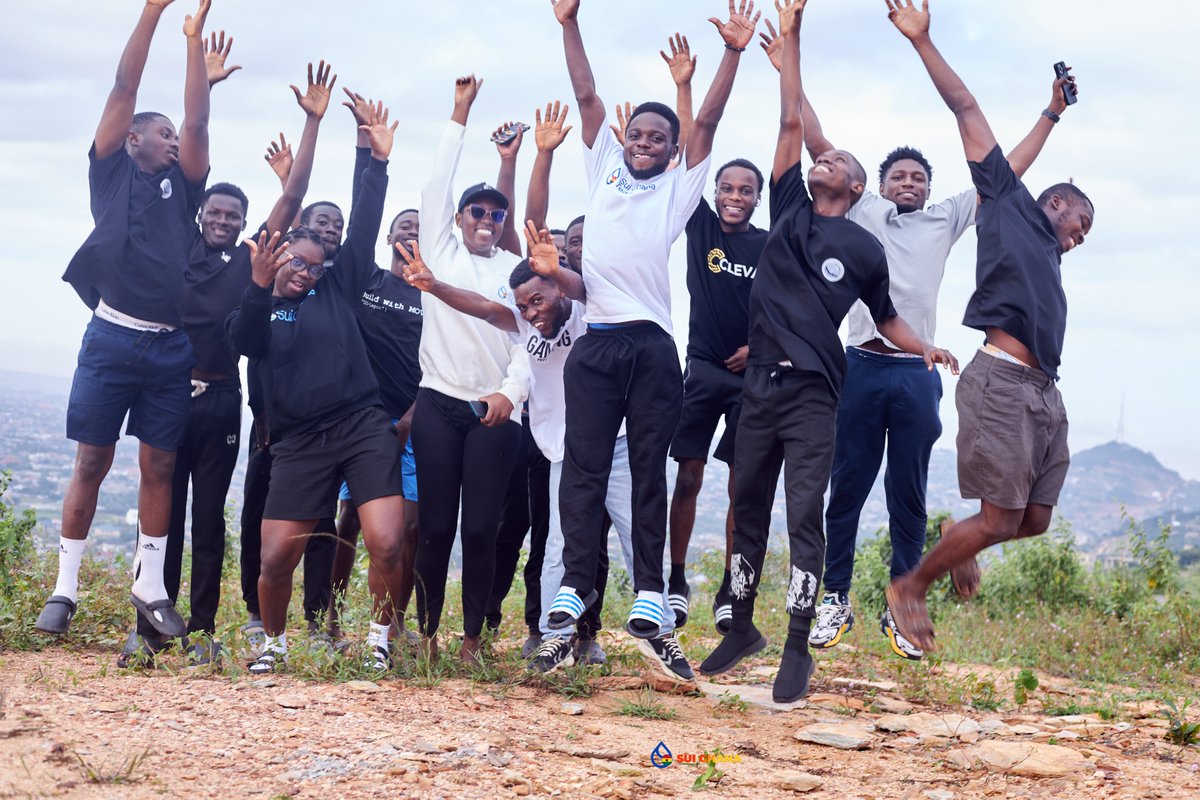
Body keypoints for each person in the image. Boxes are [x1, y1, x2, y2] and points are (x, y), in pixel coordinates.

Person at [754, 21, 1077, 661]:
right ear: (876, 184)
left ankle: (900, 611)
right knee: (845, 487)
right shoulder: (865, 210)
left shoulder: (947, 218)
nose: (908, 183)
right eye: (898, 176)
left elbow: (1006, 171)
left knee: (907, 489)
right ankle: (835, 599)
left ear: (929, 189)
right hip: (860, 365)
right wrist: (785, 64)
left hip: (916, 371)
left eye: (917, 178)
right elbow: (816, 140)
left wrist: (1050, 115)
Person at [697, 0, 957, 704]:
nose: (828, 158)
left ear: (855, 187)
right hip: (760, 392)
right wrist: (792, 40)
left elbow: (888, 317)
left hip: (817, 394)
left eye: (840, 160)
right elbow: (792, 124)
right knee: (745, 506)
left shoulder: (865, 247)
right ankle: (741, 626)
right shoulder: (789, 209)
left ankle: (795, 645)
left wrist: (926, 347)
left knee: (804, 514)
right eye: (825, 157)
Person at [881, 0, 1093, 653]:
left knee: (1031, 519)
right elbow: (968, 110)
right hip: (998, 382)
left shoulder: (1048, 259)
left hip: (1042, 393)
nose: (1080, 238)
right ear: (1052, 205)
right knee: (1002, 514)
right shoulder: (1009, 208)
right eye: (1079, 224)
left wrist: (1056, 109)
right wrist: (923, 41)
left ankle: (956, 533)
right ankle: (910, 586)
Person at [545, 0, 759, 644]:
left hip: (652, 347)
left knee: (646, 469)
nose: (644, 142)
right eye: (636, 133)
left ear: (672, 152)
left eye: (657, 139)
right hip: (597, 342)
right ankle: (578, 584)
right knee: (581, 469)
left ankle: (649, 593)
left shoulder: (678, 187)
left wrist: (732, 53)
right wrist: (569, 23)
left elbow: (711, 119)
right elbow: (585, 92)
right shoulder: (603, 165)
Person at [401, 224, 693, 681]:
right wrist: (434, 285)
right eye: (523, 305)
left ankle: (663, 637)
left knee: (639, 535)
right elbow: (482, 308)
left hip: (614, 445)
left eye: (538, 301)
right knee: (559, 544)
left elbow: (576, 283)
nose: (531, 312)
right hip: (564, 452)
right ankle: (554, 638)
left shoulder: (584, 313)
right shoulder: (524, 323)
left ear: (559, 290)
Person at [122, 58, 333, 667]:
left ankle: (202, 629)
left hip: (219, 401)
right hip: (163, 392)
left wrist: (310, 126)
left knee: (209, 518)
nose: (223, 220)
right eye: (215, 213)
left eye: (233, 217)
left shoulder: (250, 258)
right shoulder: (176, 249)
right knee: (157, 521)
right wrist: (203, 89)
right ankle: (147, 625)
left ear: (245, 226)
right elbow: (191, 145)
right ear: (200, 217)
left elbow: (292, 198)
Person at [36, 0, 212, 644]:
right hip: (111, 336)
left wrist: (192, 43)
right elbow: (123, 86)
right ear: (133, 138)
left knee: (159, 469)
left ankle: (152, 588)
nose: (172, 139)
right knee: (92, 462)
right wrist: (154, 12)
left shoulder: (184, 186)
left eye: (173, 135)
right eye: (159, 133)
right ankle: (65, 588)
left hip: (170, 348)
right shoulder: (110, 174)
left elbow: (197, 118)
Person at [227, 102, 409, 674]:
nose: (305, 271)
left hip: (361, 427)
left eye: (313, 263)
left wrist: (374, 160)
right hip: (299, 441)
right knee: (276, 554)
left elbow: (364, 219)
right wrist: (260, 288)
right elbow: (248, 341)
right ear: (274, 258)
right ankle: (273, 647)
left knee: (385, 541)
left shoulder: (336, 286)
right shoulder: (257, 307)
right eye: (293, 262)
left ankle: (380, 639)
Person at [639, 33, 768, 632]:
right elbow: (695, 144)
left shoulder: (769, 245)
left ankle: (731, 592)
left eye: (746, 190)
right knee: (687, 476)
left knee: (744, 489)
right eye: (727, 188)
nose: (735, 196)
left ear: (757, 198)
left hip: (754, 377)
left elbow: (791, 310)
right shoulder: (700, 228)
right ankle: (675, 578)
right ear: (714, 193)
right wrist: (685, 86)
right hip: (702, 369)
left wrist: (762, 349)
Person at [484, 101, 609, 664]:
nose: (566, 252)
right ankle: (543, 627)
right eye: (561, 246)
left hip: (599, 439)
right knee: (545, 534)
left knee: (592, 538)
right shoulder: (532, 300)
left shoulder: (591, 301)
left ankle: (586, 631)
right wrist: (537, 157)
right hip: (544, 437)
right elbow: (525, 229)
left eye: (575, 245)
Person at [412, 75, 530, 665]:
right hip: (437, 404)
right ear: (459, 218)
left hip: (494, 413)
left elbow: (528, 345)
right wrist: (459, 112)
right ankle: (427, 634)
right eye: (476, 211)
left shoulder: (515, 269)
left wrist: (511, 393)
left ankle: (473, 640)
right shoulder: (439, 253)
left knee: (482, 529)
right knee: (434, 527)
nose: (486, 219)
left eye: (495, 214)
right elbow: (437, 185)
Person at [326, 88, 424, 648]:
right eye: (403, 227)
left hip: (410, 424)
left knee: (405, 530)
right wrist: (366, 146)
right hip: (359, 421)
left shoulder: (436, 296)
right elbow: (360, 212)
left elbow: (440, 364)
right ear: (390, 237)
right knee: (347, 524)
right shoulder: (364, 278)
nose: (410, 232)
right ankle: (334, 620)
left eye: (419, 227)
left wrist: (411, 417)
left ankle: (392, 622)